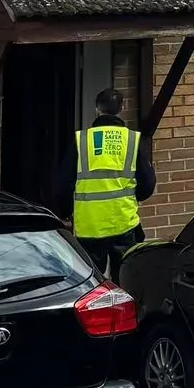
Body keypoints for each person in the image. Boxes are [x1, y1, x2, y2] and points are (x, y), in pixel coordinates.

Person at [73, 87, 156, 278]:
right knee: (125, 278)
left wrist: (63, 211)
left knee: (92, 282)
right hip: (123, 222)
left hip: (89, 225)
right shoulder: (132, 140)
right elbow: (147, 183)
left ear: (97, 109)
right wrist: (132, 196)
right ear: (122, 107)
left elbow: (63, 183)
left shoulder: (81, 140)